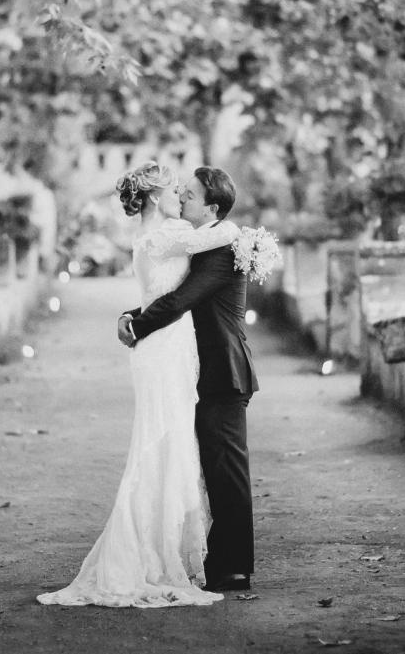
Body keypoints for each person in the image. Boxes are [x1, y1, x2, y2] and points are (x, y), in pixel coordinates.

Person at [37, 161, 238, 607]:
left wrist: (130, 316)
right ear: (152, 197)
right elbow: (220, 234)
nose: (179, 197)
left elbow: (158, 294)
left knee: (164, 443)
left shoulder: (148, 236)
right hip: (164, 348)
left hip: (162, 347)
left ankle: (158, 551)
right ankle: (145, 557)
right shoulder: (165, 233)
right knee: (161, 445)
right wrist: (243, 229)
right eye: (173, 191)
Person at [118, 166, 258, 593]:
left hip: (223, 369)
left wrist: (136, 326)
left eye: (191, 195)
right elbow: (170, 290)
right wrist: (132, 313)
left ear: (212, 208)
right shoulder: (198, 243)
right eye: (180, 191)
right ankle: (217, 562)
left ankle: (234, 567)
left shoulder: (221, 245)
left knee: (227, 470)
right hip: (198, 371)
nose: (183, 196)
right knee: (210, 469)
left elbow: (182, 299)